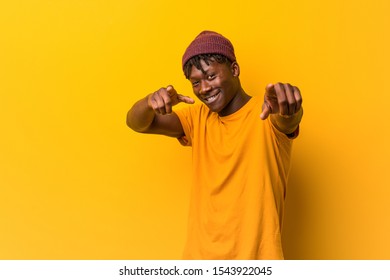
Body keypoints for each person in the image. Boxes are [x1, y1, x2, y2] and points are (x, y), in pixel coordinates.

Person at [126, 31, 303, 260]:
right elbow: (137, 123)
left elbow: (288, 120)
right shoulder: (197, 118)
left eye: (210, 76)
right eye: (195, 83)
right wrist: (149, 102)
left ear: (235, 70)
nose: (204, 89)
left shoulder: (267, 112)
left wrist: (290, 109)